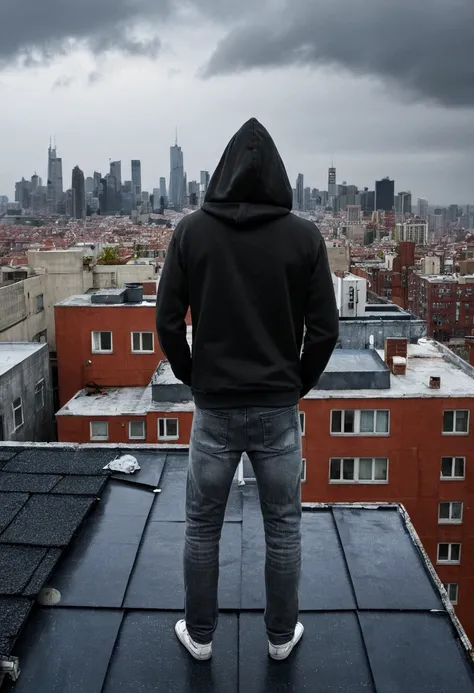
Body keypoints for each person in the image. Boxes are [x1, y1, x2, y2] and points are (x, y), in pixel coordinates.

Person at [156, 118, 339, 661]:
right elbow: (326, 330)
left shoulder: (191, 231)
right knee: (283, 527)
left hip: (214, 408)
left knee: (202, 526)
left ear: (223, 173)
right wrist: (295, 384)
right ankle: (281, 638)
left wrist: (196, 377)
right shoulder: (304, 236)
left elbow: (167, 322)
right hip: (277, 408)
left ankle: (201, 636)